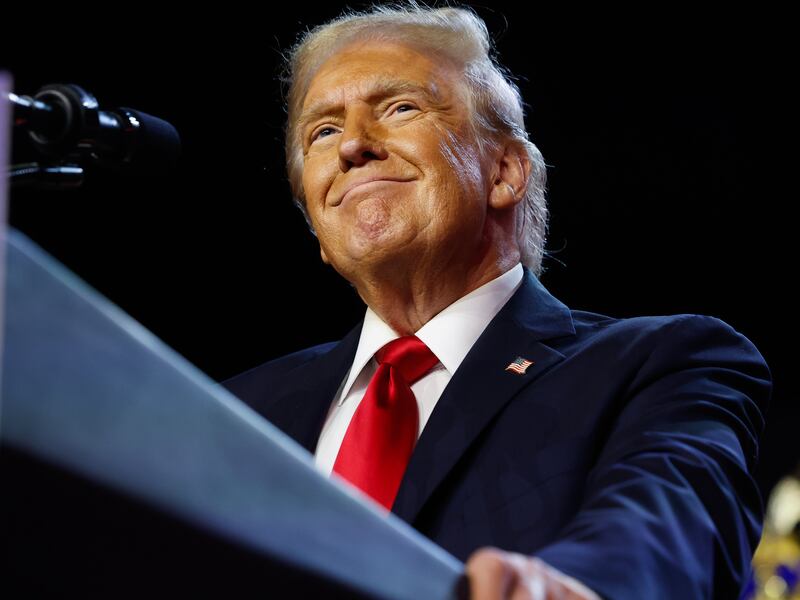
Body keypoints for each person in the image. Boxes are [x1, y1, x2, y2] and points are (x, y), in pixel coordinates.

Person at [222, 4, 771, 598]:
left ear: (505, 172)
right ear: (317, 224)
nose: (352, 144)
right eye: (323, 132)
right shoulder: (235, 413)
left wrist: (570, 585)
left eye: (400, 108)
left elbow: (669, 521)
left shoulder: (657, 365)